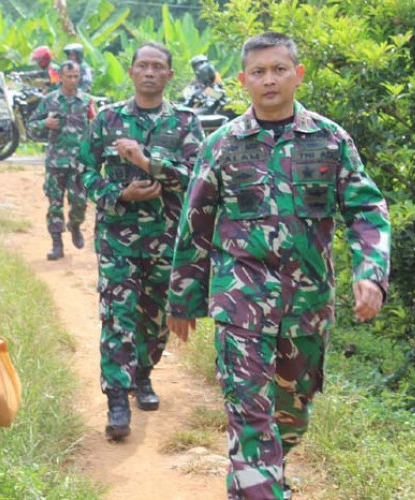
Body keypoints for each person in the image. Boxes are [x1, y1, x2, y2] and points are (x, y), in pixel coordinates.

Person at [167, 32, 390, 500]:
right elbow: (196, 224)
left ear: (297, 74)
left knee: (293, 415)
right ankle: (261, 487)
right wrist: (183, 298)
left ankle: (255, 479)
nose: (269, 80)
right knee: (250, 414)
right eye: (258, 72)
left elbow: (367, 210)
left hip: (307, 305)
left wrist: (371, 272)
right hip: (241, 302)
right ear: (243, 80)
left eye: (279, 69)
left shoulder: (330, 140)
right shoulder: (223, 144)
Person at [78, 42, 204, 440]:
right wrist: (118, 193)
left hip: (165, 239)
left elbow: (194, 177)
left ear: (169, 75)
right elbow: (81, 169)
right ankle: (116, 398)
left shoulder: (185, 122)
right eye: (143, 66)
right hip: (117, 238)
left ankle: (143, 376)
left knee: (154, 315)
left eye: (158, 67)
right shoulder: (108, 120)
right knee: (118, 316)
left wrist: (146, 163)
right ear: (131, 72)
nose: (149, 72)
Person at [28, 61, 96, 260]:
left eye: (76, 76)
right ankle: (57, 244)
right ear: (61, 77)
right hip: (56, 162)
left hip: (78, 162)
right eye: (69, 76)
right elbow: (31, 126)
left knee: (79, 202)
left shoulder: (86, 101)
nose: (73, 80)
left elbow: (96, 127)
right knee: (54, 204)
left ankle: (75, 225)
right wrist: (45, 123)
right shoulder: (49, 100)